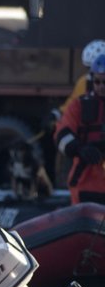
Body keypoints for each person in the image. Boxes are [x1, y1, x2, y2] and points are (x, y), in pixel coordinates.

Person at [55, 53, 105, 205]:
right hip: (86, 183)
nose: (101, 86)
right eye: (97, 82)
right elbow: (62, 135)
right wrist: (80, 149)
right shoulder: (79, 106)